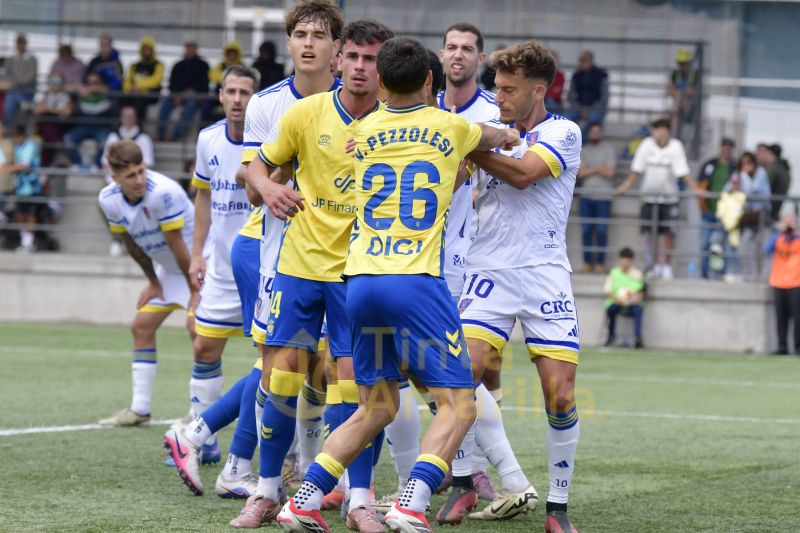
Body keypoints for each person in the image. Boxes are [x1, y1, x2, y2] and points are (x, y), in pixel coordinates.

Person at [275, 36, 519, 533]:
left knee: (374, 406)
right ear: (430, 81)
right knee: (459, 404)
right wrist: (509, 136)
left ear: (381, 83)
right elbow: (496, 140)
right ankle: (411, 501)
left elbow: (358, 147)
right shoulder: (452, 126)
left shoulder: (362, 131)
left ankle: (301, 501)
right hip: (415, 281)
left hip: (360, 281)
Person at [236, 15, 396, 530]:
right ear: (338, 59)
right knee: (281, 379)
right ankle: (264, 493)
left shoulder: (398, 122)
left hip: (362, 274)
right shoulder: (305, 115)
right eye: (352, 56)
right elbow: (257, 168)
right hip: (300, 267)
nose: (359, 67)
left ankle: (360, 501)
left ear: (384, 66)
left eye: (371, 60)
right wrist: (268, 189)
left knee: (357, 390)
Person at [465, 39, 585, 533]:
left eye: (511, 89)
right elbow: (454, 181)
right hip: (487, 270)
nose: (500, 96)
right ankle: (483, 479)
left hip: (543, 275)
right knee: (457, 378)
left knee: (559, 394)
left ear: (540, 91)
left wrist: (469, 142)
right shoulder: (490, 130)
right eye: (496, 86)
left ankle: (557, 509)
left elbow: (523, 175)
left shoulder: (565, 131)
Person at [435, 22, 534, 526]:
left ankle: (471, 478)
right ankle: (475, 477)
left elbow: (474, 182)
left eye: (467, 49)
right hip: (418, 257)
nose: (458, 55)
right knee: (455, 374)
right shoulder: (425, 104)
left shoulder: (493, 115)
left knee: (456, 372)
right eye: (450, 47)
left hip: (466, 260)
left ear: (480, 59)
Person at [97, 140, 198, 425]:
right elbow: (130, 241)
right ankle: (140, 409)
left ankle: (199, 412)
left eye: (142, 171)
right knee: (141, 326)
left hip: (199, 266)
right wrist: (153, 282)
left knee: (198, 331)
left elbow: (177, 243)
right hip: (171, 269)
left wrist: (195, 290)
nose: (139, 180)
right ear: (114, 177)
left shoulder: (163, 193)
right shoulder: (108, 200)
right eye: (130, 176)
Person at [615, 118, 701, 280]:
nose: (655, 133)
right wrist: (624, 187)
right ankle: (652, 265)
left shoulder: (676, 147)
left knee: (669, 233)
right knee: (650, 234)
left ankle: (666, 266)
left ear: (666, 131)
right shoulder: (646, 145)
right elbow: (636, 170)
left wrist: (695, 189)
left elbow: (683, 171)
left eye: (658, 129)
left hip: (669, 199)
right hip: (649, 198)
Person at [577, 122, 616, 273]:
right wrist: (600, 168)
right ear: (588, 134)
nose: (595, 134)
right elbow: (580, 174)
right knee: (586, 230)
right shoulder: (583, 150)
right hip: (586, 196)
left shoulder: (608, 150)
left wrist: (590, 169)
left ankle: (600, 263)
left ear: (602, 134)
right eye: (592, 132)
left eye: (597, 132)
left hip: (604, 197)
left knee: (601, 231)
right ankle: (587, 262)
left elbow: (610, 173)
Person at [728, 151, 771, 280]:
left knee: (761, 247)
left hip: (760, 215)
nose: (747, 166)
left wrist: (744, 176)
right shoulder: (738, 175)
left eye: (749, 162)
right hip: (745, 216)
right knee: (744, 246)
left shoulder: (761, 173)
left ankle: (761, 276)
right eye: (744, 163)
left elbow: (755, 190)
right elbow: (729, 189)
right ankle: (747, 273)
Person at [696, 137, 735, 279]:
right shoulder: (710, 164)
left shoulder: (734, 167)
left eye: (729, 147)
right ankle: (704, 273)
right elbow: (700, 185)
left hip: (725, 214)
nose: (726, 150)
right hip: (709, 211)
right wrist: (702, 204)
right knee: (705, 243)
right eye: (725, 147)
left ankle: (721, 274)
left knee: (722, 245)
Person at [157, 41, 210, 142]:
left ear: (196, 48)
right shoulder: (178, 65)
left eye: (192, 47)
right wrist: (177, 95)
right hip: (178, 95)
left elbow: (205, 84)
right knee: (165, 103)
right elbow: (172, 83)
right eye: (188, 47)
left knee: (191, 105)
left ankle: (176, 135)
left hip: (195, 96)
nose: (190, 49)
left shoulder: (203, 65)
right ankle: (160, 134)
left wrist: (194, 91)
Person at [765, 212, 800, 355]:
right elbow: (766, 249)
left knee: (798, 318)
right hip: (778, 282)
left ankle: (798, 347)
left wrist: (796, 232)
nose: (789, 223)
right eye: (787, 220)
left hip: (796, 282)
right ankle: (782, 346)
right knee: (781, 318)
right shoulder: (778, 236)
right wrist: (779, 232)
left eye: (791, 220)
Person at [64, 72, 114, 169]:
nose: (93, 86)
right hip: (84, 126)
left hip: (101, 127)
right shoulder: (81, 94)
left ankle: (96, 164)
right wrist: (78, 88)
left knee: (106, 140)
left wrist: (100, 90)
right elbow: (65, 88)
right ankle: (77, 163)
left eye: (96, 82)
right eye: (90, 83)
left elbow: (116, 90)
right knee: (68, 138)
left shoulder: (107, 94)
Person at [4, 125, 42, 253]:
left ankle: (30, 243)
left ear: (21, 136)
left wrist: (6, 169)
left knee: (30, 214)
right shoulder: (17, 146)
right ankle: (25, 241)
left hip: (31, 187)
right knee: (20, 213)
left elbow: (24, 165)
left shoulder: (31, 146)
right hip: (20, 187)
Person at [603, 247, 645, 348]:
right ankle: (611, 336)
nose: (625, 262)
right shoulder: (613, 273)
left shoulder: (637, 274)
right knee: (611, 310)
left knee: (638, 310)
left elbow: (641, 291)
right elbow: (608, 291)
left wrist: (636, 299)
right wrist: (615, 299)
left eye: (628, 259)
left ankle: (637, 338)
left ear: (632, 261)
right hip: (617, 303)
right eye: (623, 259)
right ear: (619, 259)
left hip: (632, 304)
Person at [34, 74, 74, 168]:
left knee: (44, 122)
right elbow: (38, 109)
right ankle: (58, 146)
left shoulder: (66, 96)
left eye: (57, 81)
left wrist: (49, 109)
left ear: (62, 83)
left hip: (60, 123)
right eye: (52, 81)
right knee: (44, 122)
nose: (55, 84)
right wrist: (53, 109)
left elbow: (67, 112)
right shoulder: (47, 95)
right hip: (48, 123)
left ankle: (46, 162)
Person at [123, 36, 165, 124]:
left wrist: (139, 87)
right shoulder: (134, 66)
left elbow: (156, 80)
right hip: (134, 93)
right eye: (144, 49)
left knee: (139, 101)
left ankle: (138, 126)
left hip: (151, 95)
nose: (146, 51)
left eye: (148, 49)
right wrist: (129, 89)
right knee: (121, 100)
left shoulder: (158, 65)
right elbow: (127, 80)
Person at [101, 105, 155, 171]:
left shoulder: (143, 138)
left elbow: (148, 162)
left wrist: (131, 171)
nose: (128, 119)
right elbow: (106, 161)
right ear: (121, 118)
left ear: (136, 118)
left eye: (131, 116)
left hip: (136, 173)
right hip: (117, 173)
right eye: (126, 116)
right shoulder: (113, 136)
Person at [1, 34, 38, 128]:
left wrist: (15, 82)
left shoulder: (32, 59)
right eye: (18, 42)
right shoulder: (11, 59)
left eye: (22, 42)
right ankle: (9, 128)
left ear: (25, 44)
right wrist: (11, 83)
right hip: (14, 90)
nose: (20, 45)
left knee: (12, 98)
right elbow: (7, 75)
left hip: (27, 90)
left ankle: (11, 128)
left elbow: (30, 77)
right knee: (11, 98)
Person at [566, 49, 608, 128]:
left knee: (592, 122)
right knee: (566, 121)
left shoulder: (601, 76)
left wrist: (589, 109)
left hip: (596, 109)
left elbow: (604, 98)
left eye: (586, 60)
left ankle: (584, 139)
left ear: (592, 61)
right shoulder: (576, 76)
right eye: (581, 61)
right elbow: (570, 96)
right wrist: (580, 108)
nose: (583, 63)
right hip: (578, 108)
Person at [756, 143, 790, 222]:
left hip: (769, 212)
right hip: (775, 210)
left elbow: (764, 188)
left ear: (770, 153)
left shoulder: (773, 169)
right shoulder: (783, 168)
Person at [667, 48, 698, 129]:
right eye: (680, 63)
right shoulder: (675, 73)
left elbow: (693, 92)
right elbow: (669, 90)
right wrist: (681, 92)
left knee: (681, 102)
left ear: (690, 63)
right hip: (678, 102)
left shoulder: (694, 74)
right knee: (675, 107)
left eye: (684, 63)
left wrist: (679, 91)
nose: (682, 66)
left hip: (691, 104)